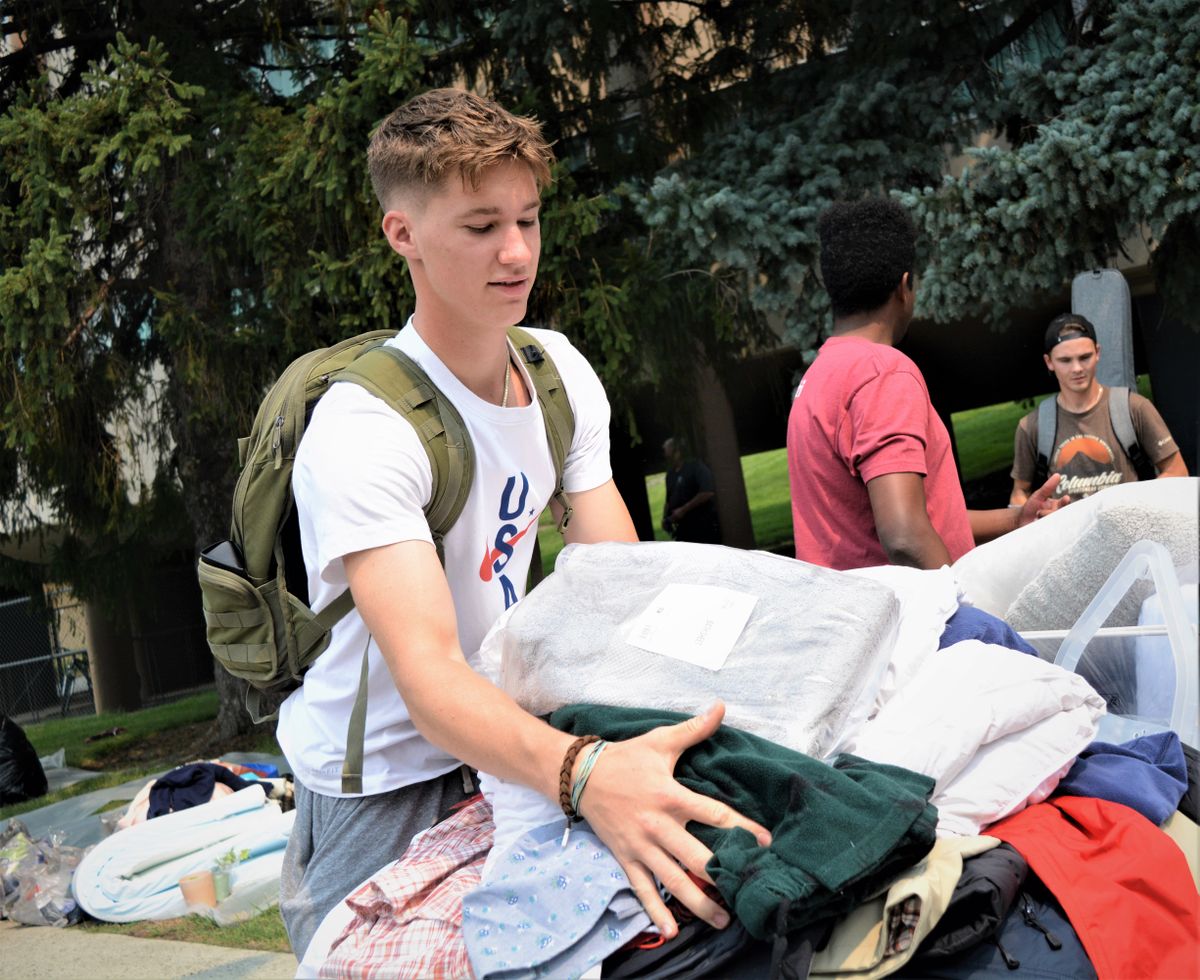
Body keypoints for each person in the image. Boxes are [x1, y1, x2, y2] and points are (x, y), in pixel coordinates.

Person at [275, 88, 768, 959]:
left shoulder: (557, 372)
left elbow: (612, 588)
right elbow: (429, 682)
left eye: (529, 219)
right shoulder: (362, 432)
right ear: (403, 235)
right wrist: (584, 774)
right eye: (479, 227)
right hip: (382, 780)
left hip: (511, 736)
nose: (516, 252)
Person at [786, 197, 1066, 572]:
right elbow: (904, 535)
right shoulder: (881, 371)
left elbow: (918, 516)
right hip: (911, 623)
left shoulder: (818, 377)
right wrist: (962, 615)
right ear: (904, 288)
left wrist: (1014, 519)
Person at [1009, 313, 1187, 505]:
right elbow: (1020, 492)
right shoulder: (1033, 426)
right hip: (1068, 533)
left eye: (1084, 357)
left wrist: (1131, 504)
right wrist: (1033, 515)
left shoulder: (1134, 408)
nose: (1077, 368)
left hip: (1130, 528)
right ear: (1049, 362)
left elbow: (1177, 471)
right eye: (1065, 360)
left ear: (1098, 353)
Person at [662, 436, 722, 543]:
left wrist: (683, 510)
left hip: (702, 526)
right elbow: (668, 499)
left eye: (669, 455)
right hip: (683, 530)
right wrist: (666, 518)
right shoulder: (670, 475)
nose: (667, 458)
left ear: (678, 452)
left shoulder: (696, 467)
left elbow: (707, 492)